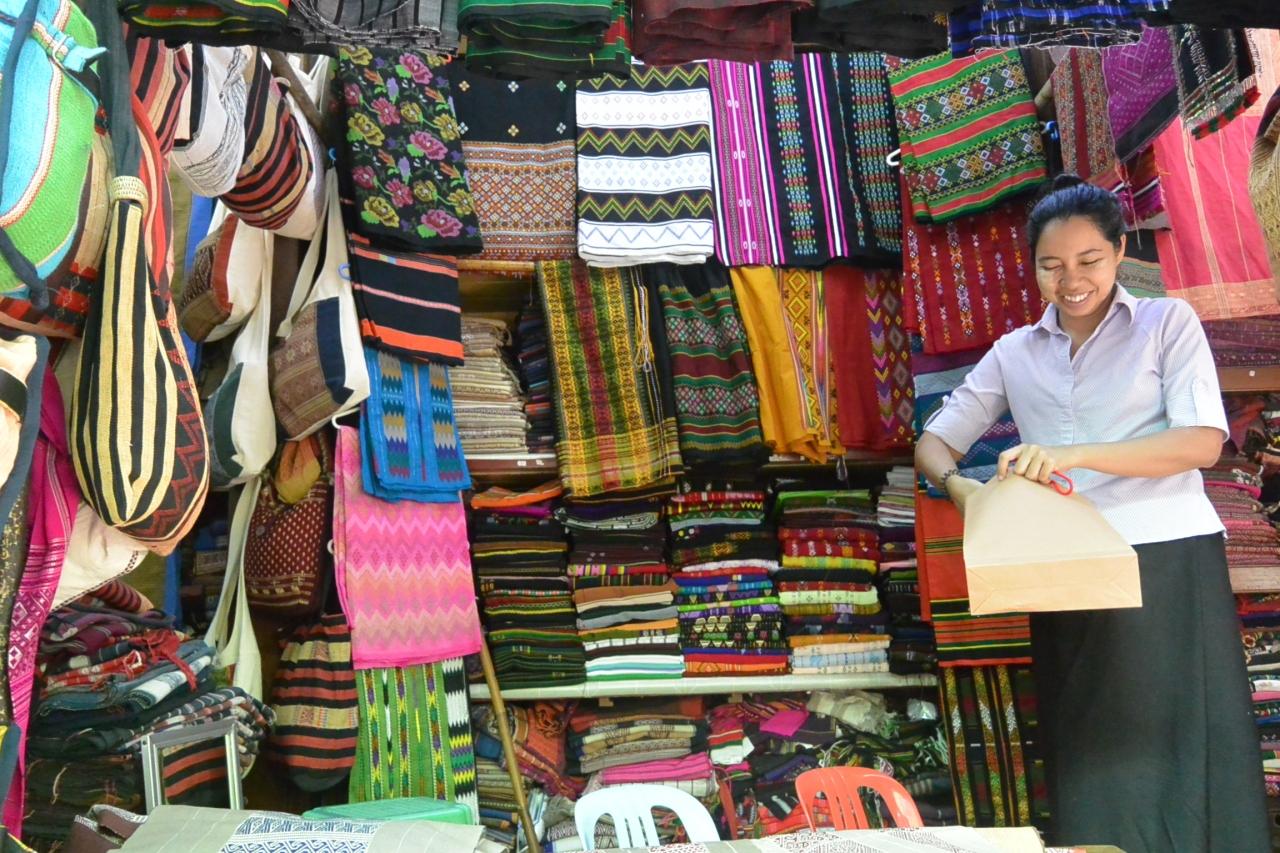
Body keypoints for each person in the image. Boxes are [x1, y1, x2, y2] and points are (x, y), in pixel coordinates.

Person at [915, 175, 1269, 852]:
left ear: (1118, 252)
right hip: (1065, 565)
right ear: (1033, 267)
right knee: (1090, 746)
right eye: (1051, 264)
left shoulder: (1167, 323)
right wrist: (963, 490)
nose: (1071, 280)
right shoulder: (1015, 352)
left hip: (1167, 556)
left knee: (1184, 739)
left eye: (1089, 260)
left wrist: (1074, 454)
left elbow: (1201, 442)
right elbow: (934, 442)